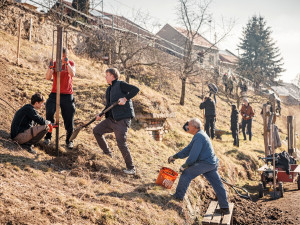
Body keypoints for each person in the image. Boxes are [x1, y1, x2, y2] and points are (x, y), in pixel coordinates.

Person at [168, 118, 229, 214]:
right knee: (217, 185)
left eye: (189, 125)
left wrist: (185, 166)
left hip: (206, 163)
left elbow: (193, 155)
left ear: (194, 127)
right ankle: (225, 208)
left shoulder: (199, 137)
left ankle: (178, 197)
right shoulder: (199, 135)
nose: (187, 127)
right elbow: (188, 149)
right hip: (211, 163)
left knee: (186, 173)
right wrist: (175, 157)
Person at [93, 68, 140, 175]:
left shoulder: (120, 84)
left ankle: (131, 168)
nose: (105, 77)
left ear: (113, 76)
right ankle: (107, 153)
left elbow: (136, 89)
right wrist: (101, 114)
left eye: (107, 75)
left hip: (122, 119)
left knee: (121, 143)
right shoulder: (109, 89)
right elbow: (108, 106)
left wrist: (125, 98)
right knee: (96, 131)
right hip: (111, 120)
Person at [44, 48, 76, 149]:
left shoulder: (70, 63)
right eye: (61, 56)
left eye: (64, 56)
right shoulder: (54, 63)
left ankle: (69, 140)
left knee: (69, 118)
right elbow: (48, 77)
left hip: (67, 95)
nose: (63, 58)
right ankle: (48, 136)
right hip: (54, 93)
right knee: (49, 113)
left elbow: (73, 74)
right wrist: (50, 68)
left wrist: (67, 64)